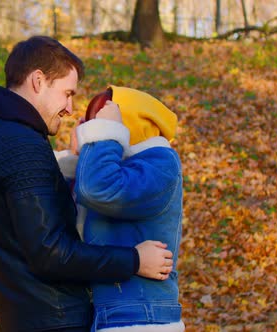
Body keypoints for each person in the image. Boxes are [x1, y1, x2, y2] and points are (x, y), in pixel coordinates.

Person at [0, 36, 174, 332]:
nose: (69, 107)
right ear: (38, 81)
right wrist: (134, 259)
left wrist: (78, 162)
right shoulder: (21, 145)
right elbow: (51, 253)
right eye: (67, 93)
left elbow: (35, 223)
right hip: (55, 319)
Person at [59, 86, 184, 331]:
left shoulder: (160, 162)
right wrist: (80, 154)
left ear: (124, 126)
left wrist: (103, 137)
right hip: (114, 312)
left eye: (98, 123)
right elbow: (66, 213)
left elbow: (98, 190)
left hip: (141, 314)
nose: (90, 132)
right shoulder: (113, 168)